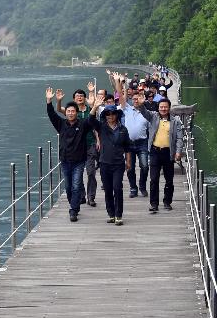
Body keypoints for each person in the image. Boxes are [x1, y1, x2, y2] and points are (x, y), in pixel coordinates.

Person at [45, 87, 96, 222]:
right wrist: (49, 101)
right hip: (65, 161)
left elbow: (91, 120)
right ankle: (74, 204)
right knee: (68, 187)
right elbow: (51, 114)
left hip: (79, 161)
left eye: (73, 111)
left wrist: (94, 107)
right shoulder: (61, 124)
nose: (71, 113)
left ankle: (73, 210)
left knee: (76, 185)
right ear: (66, 113)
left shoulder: (83, 125)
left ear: (76, 112)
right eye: (68, 111)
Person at [89, 90, 131, 225]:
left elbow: (127, 147)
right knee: (107, 189)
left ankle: (119, 215)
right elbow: (90, 120)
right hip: (104, 163)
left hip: (118, 164)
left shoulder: (123, 129)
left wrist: (128, 162)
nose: (110, 116)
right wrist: (95, 106)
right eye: (107, 114)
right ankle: (111, 214)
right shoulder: (101, 127)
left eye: (112, 114)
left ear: (117, 115)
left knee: (117, 188)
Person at [137, 97, 183, 213]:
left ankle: (167, 202)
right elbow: (144, 112)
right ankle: (154, 204)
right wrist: (142, 104)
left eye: (165, 107)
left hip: (168, 153)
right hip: (155, 152)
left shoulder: (175, 121)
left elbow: (179, 138)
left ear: (169, 108)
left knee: (169, 180)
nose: (163, 109)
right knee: (154, 179)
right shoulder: (153, 116)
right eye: (161, 107)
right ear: (158, 108)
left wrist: (178, 151)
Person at [56, 84, 98, 206]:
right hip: (76, 147)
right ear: (74, 99)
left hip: (90, 143)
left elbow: (95, 125)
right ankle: (81, 195)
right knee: (77, 175)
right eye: (77, 96)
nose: (79, 98)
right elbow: (59, 110)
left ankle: (91, 196)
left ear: (85, 98)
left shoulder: (90, 110)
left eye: (81, 96)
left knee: (91, 172)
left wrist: (99, 140)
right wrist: (59, 101)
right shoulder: (71, 112)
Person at [114, 73, 150, 198]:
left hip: (142, 143)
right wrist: (118, 81)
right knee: (130, 167)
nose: (135, 101)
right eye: (134, 99)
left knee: (145, 166)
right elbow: (119, 94)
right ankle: (133, 188)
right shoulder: (127, 109)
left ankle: (142, 186)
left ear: (142, 98)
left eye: (138, 98)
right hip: (129, 143)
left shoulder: (147, 113)